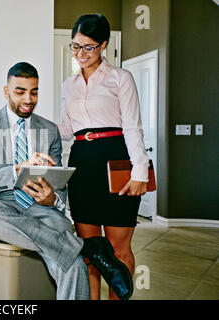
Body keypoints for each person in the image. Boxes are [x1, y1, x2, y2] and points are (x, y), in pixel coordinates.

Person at [0, 62, 133, 300]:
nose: (28, 99)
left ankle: (77, 251)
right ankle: (85, 247)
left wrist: (52, 199)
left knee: (73, 265)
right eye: (20, 91)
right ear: (6, 91)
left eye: (34, 91)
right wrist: (17, 170)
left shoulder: (49, 130)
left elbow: (59, 185)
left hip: (39, 209)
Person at [58, 14, 149, 300]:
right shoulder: (68, 85)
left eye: (89, 47)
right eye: (75, 46)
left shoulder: (121, 78)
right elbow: (68, 129)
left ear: (104, 45)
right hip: (82, 164)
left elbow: (133, 126)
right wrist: (31, 122)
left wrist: (140, 173)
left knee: (118, 248)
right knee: (91, 250)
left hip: (116, 163)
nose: (80, 54)